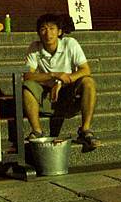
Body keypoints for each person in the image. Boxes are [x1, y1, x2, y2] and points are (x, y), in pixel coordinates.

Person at [23, 13, 101, 151]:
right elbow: (28, 75)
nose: (48, 33)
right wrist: (54, 75)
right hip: (47, 93)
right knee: (27, 86)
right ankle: (37, 131)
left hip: (69, 93)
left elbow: (85, 70)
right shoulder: (35, 48)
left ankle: (85, 130)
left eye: (52, 28)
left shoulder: (70, 43)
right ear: (39, 33)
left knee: (88, 82)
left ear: (59, 31)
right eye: (43, 29)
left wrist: (64, 80)